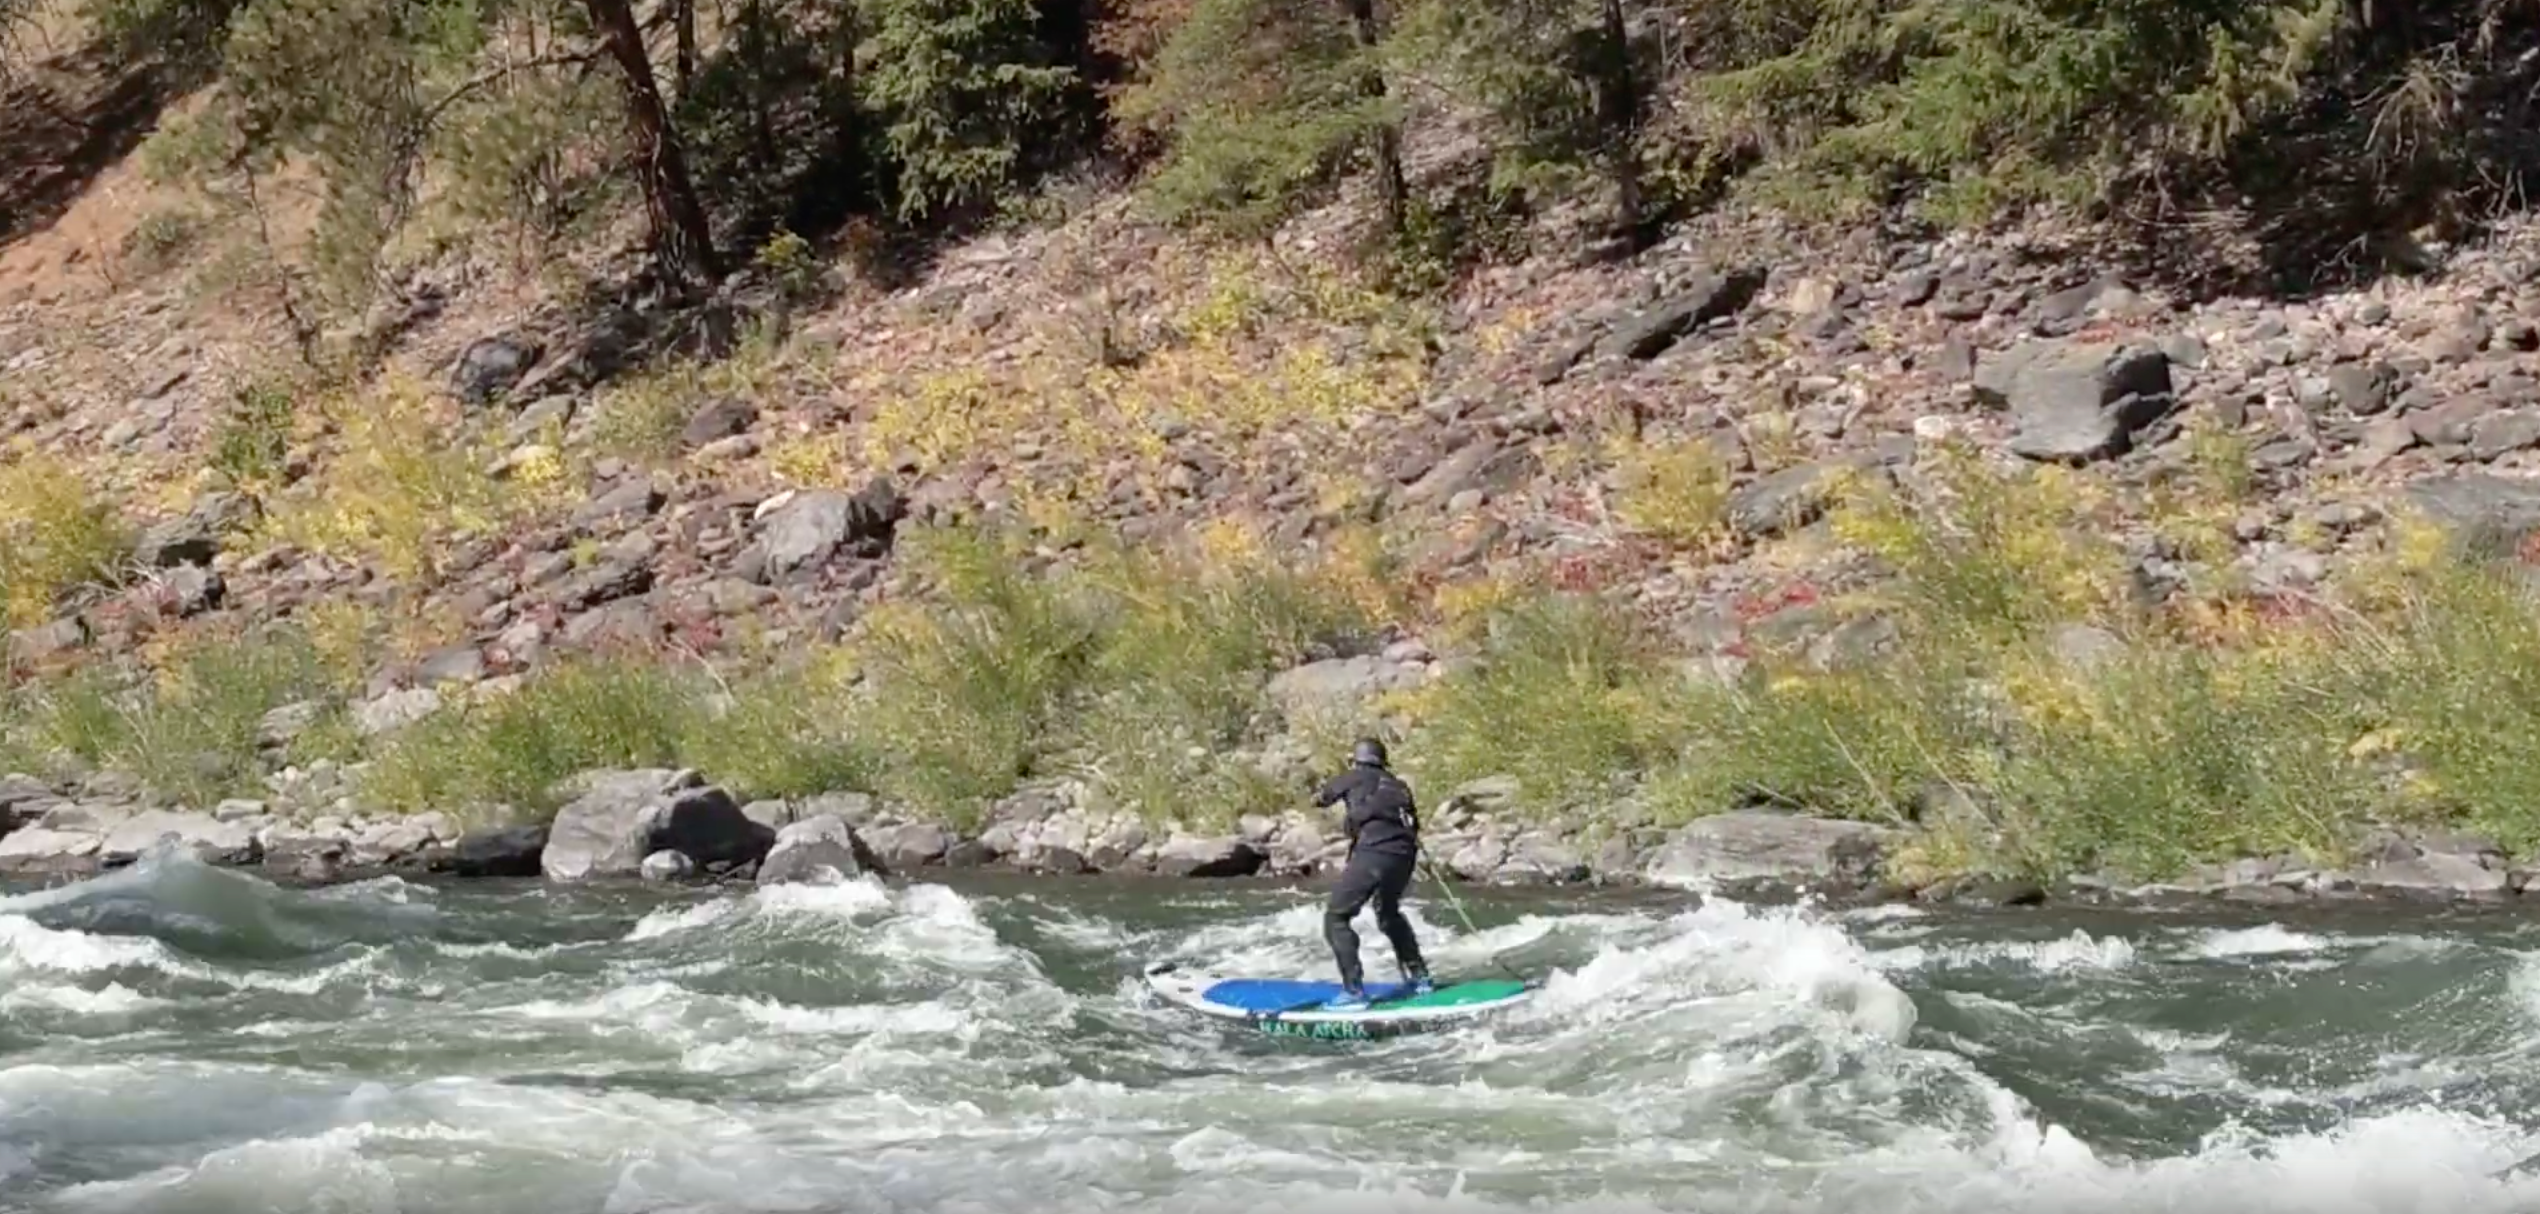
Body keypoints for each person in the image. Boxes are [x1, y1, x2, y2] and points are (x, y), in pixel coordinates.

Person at [1312, 737, 1432, 1009]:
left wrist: (1323, 791)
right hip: (1404, 856)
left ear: (1356, 760)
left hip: (1374, 853)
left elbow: (1321, 799)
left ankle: (1354, 993)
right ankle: (1420, 978)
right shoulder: (1399, 786)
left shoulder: (1353, 777)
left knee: (1336, 917)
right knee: (1388, 913)